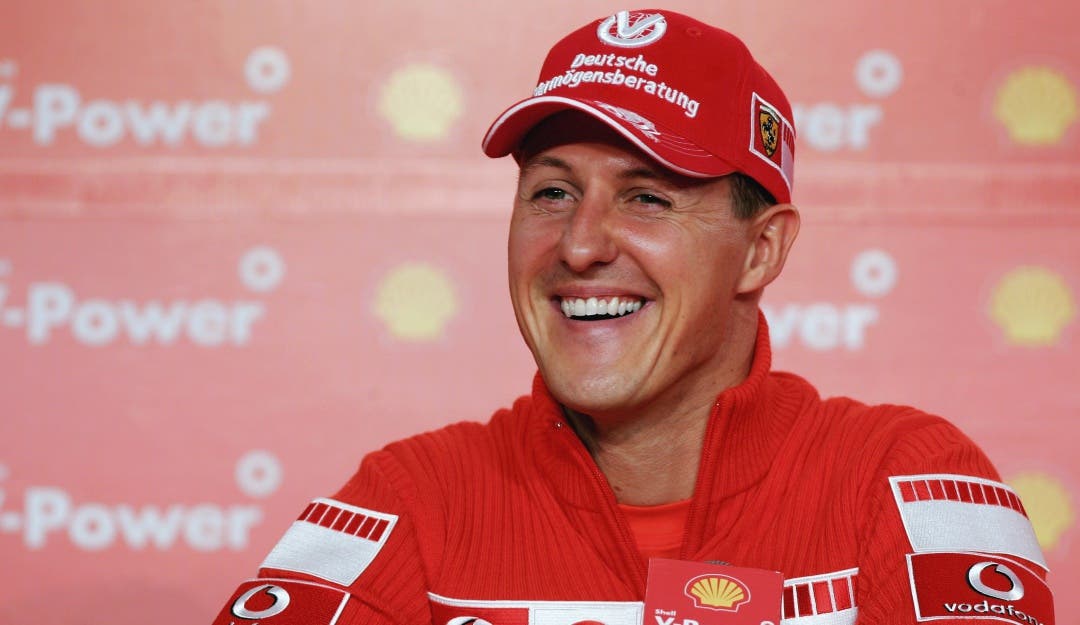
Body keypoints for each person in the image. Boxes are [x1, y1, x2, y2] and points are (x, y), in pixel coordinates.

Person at [213, 9, 1054, 625]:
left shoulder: (909, 486)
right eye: (552, 191)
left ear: (760, 251)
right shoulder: (410, 499)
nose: (580, 245)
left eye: (647, 197)